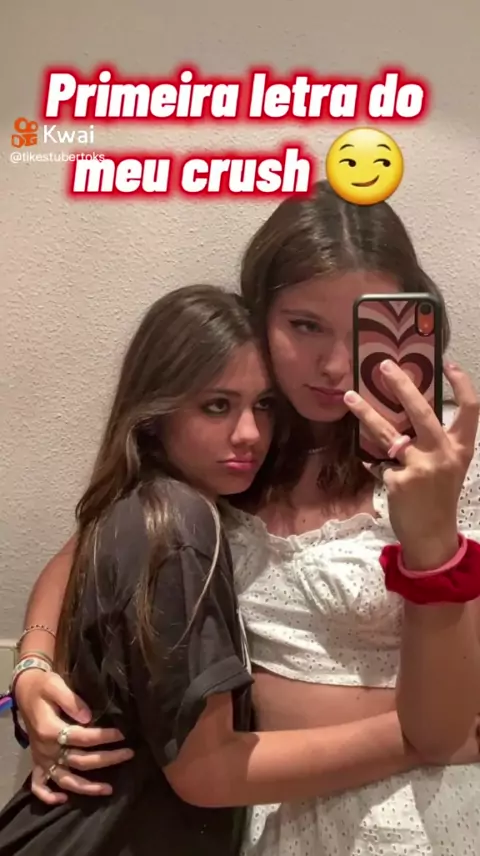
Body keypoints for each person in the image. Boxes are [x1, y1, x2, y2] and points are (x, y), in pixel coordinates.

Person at [6, 182, 480, 856]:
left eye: (362, 329)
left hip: (430, 817)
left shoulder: (449, 458)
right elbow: (85, 551)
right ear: (260, 315)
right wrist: (31, 665)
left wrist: (432, 541)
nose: (334, 365)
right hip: (266, 817)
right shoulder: (237, 447)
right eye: (305, 325)